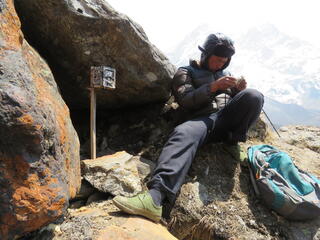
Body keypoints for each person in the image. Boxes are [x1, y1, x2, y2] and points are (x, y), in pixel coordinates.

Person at [113, 33, 264, 223]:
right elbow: (185, 100)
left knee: (254, 96)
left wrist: (237, 92)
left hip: (224, 120)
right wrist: (212, 87)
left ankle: (232, 142)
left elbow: (232, 101)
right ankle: (155, 198)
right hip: (200, 121)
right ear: (206, 55)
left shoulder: (224, 75)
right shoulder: (185, 72)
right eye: (217, 60)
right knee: (183, 133)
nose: (220, 64)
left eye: (224, 61)